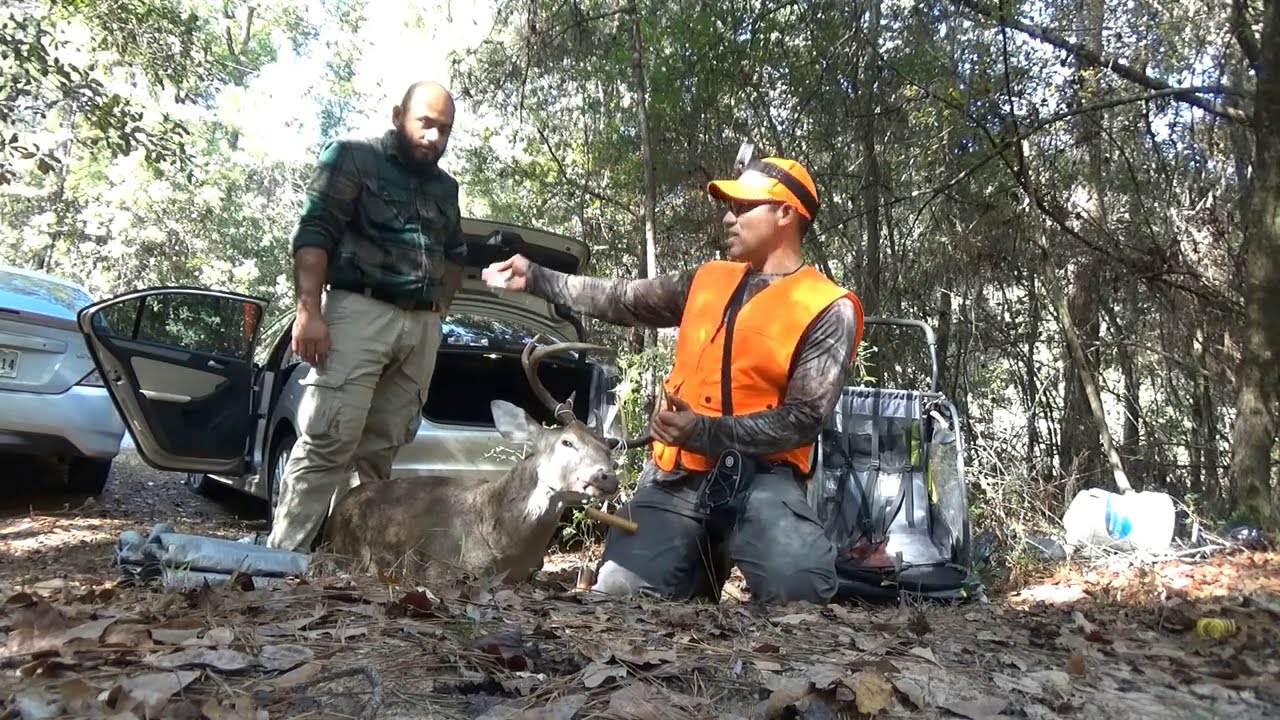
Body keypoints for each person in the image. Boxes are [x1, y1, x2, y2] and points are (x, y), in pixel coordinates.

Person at [483, 155, 864, 604]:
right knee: (620, 594)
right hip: (676, 476)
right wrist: (538, 277)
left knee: (801, 591)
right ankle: (700, 554)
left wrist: (706, 431)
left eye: (742, 207)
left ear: (785, 214)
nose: (727, 217)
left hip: (762, 479)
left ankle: (719, 546)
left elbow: (804, 418)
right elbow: (624, 299)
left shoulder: (827, 306)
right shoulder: (706, 278)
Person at [266, 80, 466, 553]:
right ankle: (280, 564)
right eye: (426, 123)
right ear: (399, 114)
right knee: (328, 441)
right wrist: (308, 312)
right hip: (359, 310)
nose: (434, 137)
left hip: (419, 326)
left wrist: (441, 309)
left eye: (445, 130)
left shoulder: (445, 187)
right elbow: (315, 231)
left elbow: (456, 251)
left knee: (379, 454)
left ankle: (345, 568)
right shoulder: (353, 156)